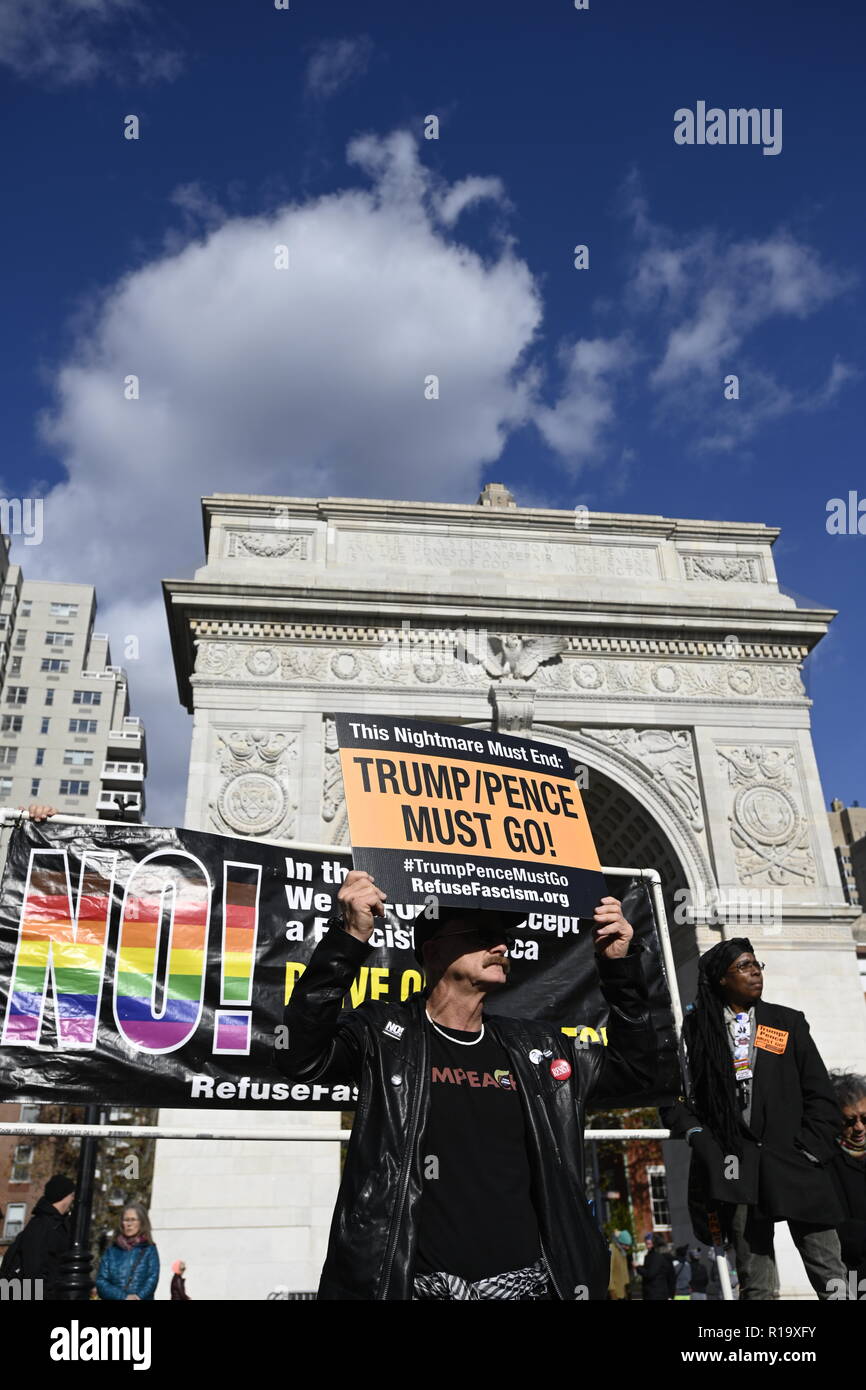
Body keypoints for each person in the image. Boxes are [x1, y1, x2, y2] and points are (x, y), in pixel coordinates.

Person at [276, 870, 657, 1300]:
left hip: (531, 1289)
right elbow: (299, 1057)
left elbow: (636, 1072)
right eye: (483, 934)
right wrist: (348, 938)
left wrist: (618, 967)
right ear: (433, 950)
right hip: (416, 1289)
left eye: (504, 937)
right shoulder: (382, 1035)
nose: (501, 945)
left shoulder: (538, 1048)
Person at [663, 937, 847, 1300]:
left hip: (796, 1161)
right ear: (721, 979)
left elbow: (821, 1094)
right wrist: (701, 1140)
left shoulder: (787, 1021)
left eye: (756, 965)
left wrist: (811, 1149)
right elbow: (679, 1097)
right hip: (739, 1169)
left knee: (830, 1273)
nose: (754, 973)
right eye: (743, 967)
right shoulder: (698, 1030)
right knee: (756, 1281)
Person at [0, 1175, 74, 1297]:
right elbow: (33, 1269)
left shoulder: (55, 1224)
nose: (73, 1199)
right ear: (64, 1196)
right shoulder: (41, 1226)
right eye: (72, 1195)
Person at [828, 1070, 866, 1288]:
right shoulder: (828, 1162)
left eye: (865, 1118)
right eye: (850, 1121)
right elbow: (839, 1232)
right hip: (851, 1277)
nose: (859, 1127)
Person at [95, 1204, 159, 1301]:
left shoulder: (149, 1249)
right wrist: (123, 1297)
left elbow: (152, 1278)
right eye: (126, 1220)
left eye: (133, 1219)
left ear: (142, 1222)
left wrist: (138, 1297)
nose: (129, 1224)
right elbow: (101, 1281)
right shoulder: (111, 1251)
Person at [607, 1230, 632, 1300]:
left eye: (629, 1245)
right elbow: (609, 1271)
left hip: (622, 1292)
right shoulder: (612, 1249)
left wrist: (627, 1286)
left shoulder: (622, 1252)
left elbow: (624, 1271)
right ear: (620, 1242)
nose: (628, 1248)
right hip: (615, 1293)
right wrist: (612, 1290)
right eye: (626, 1245)